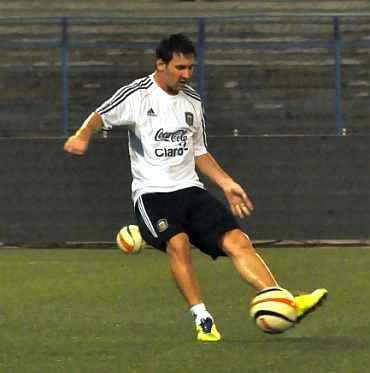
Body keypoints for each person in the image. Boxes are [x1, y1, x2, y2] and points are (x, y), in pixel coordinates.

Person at [64, 33, 327, 342]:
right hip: (152, 195)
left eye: (190, 68)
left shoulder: (192, 100)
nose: (186, 74)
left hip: (190, 190)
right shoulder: (136, 95)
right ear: (160, 65)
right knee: (178, 243)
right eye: (180, 68)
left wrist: (227, 183)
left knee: (238, 241)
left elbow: (199, 151)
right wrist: (83, 135)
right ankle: (202, 317)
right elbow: (99, 116)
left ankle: (285, 301)